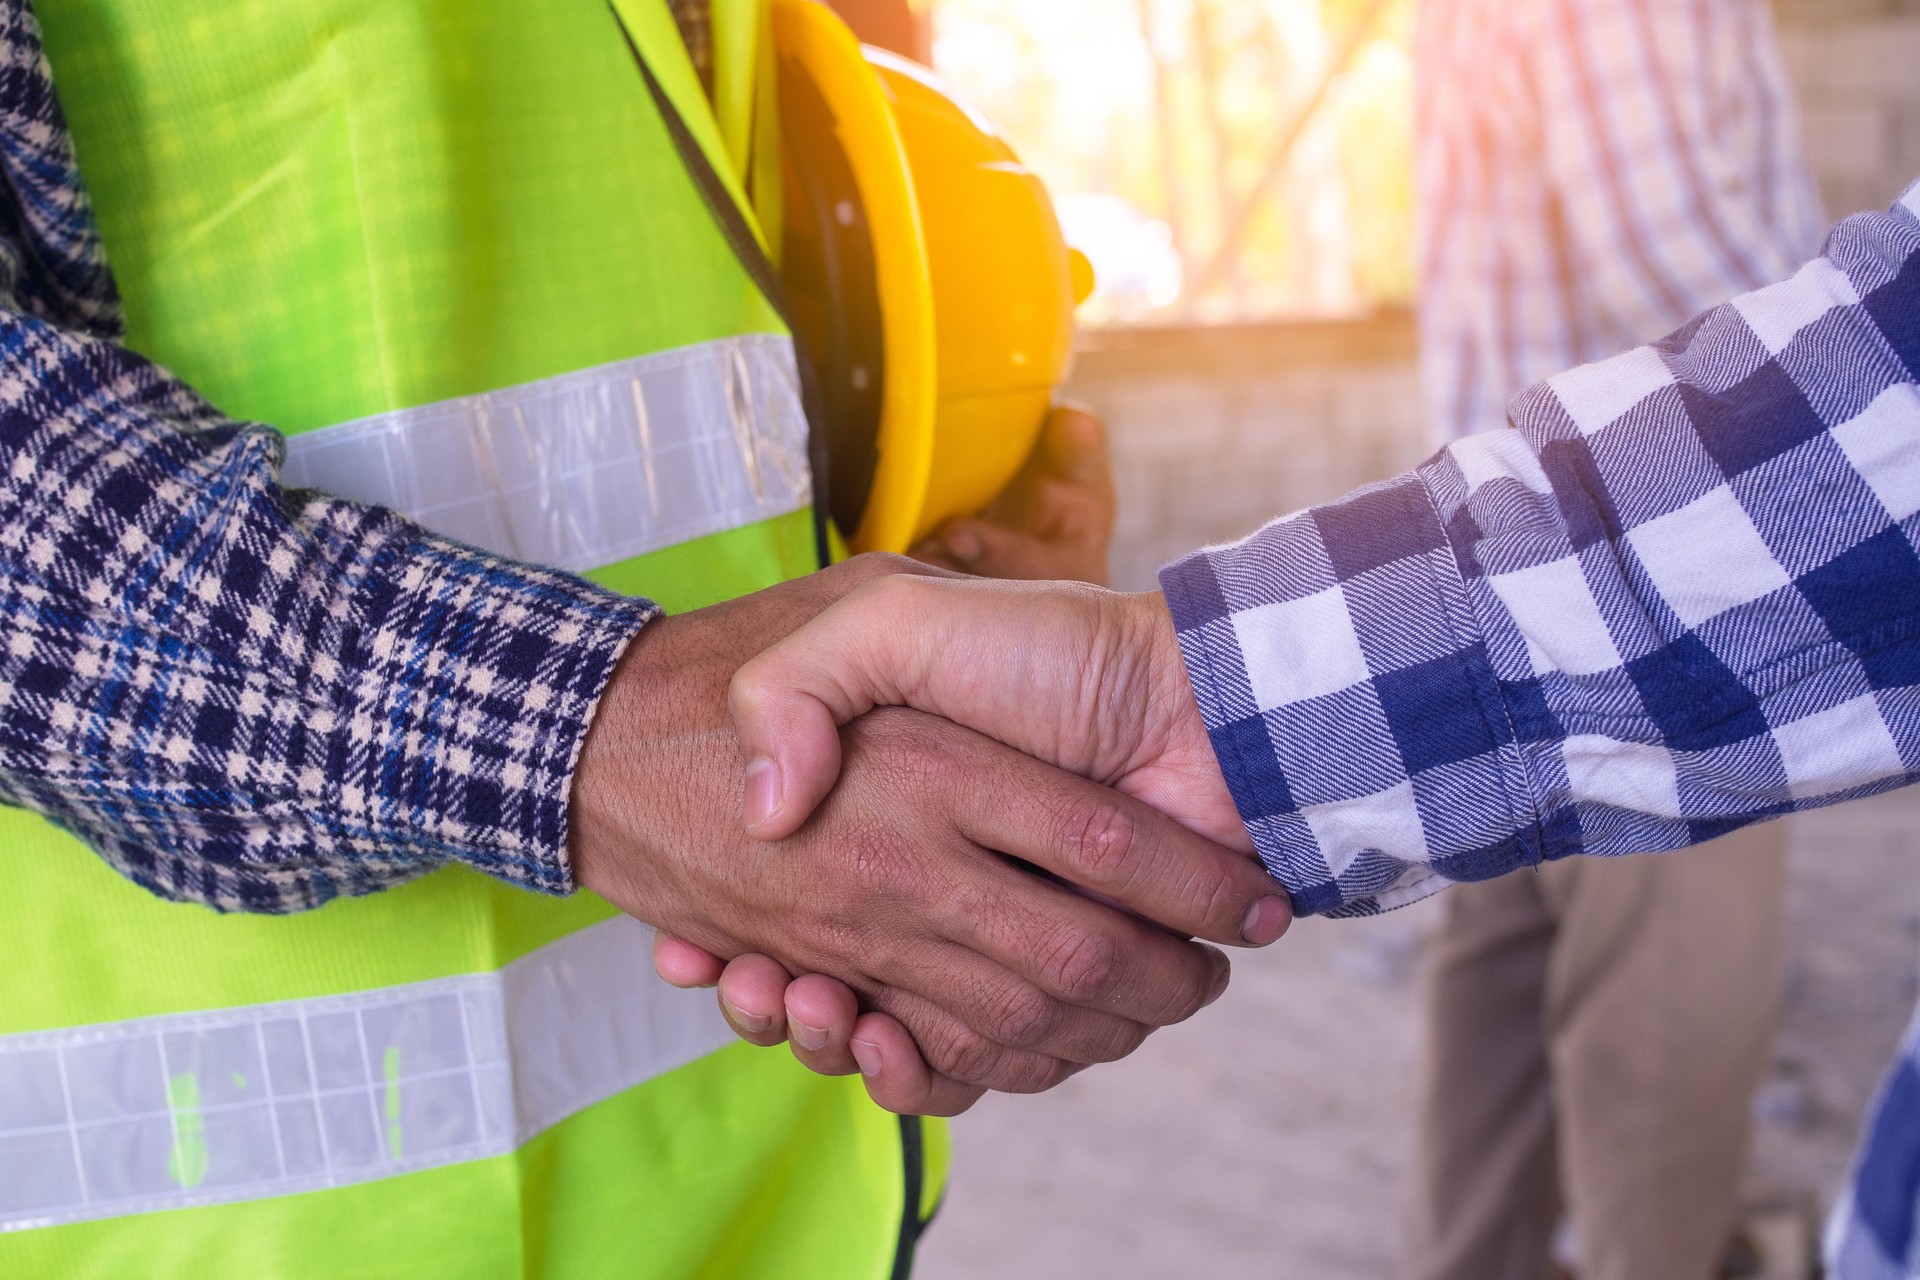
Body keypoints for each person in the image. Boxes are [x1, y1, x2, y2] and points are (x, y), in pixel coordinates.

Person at [0, 1, 1291, 1275]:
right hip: (215, 1223)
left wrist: (953, 496)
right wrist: (577, 730)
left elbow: (775, 168)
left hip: (773, 1186)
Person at [679, 172, 1920, 1277]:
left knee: (1500, 1021)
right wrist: (1179, 701)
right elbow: (1716, 267)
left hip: (1616, 589)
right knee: (1636, 1028)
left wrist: (1177, 699)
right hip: (1687, 627)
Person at [1409, 1, 1827, 1273]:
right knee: (1661, 1041)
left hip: (1482, 574)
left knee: (1498, 1017)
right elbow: (1694, 279)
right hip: (1658, 600)